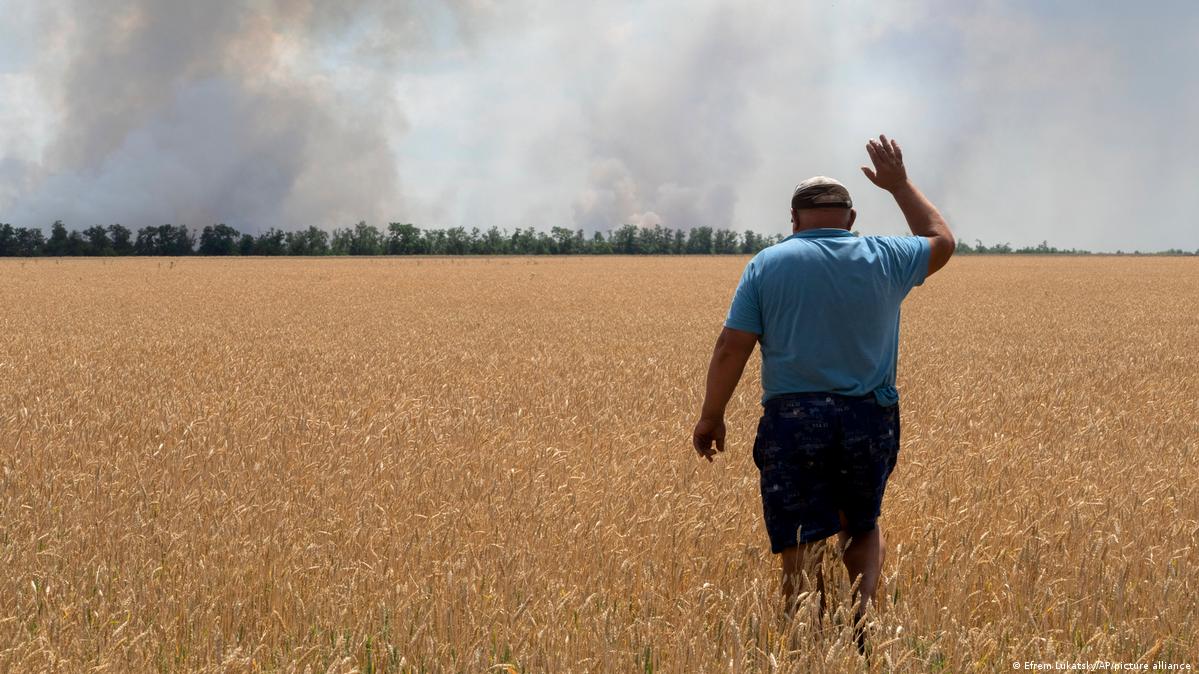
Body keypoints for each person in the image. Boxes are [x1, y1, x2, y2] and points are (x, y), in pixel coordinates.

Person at [690, 134, 955, 647]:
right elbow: (940, 239)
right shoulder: (887, 257)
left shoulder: (768, 264)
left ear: (793, 218)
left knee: (798, 531)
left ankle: (803, 635)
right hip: (869, 418)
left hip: (793, 419)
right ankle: (861, 626)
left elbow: (731, 346)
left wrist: (711, 415)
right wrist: (899, 186)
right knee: (860, 520)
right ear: (851, 219)